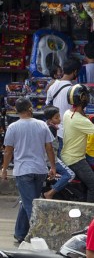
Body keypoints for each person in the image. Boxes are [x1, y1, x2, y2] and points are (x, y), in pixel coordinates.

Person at [1, 97, 55, 243]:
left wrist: (4, 169)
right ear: (30, 108)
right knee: (28, 202)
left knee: (29, 204)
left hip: (23, 170)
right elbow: (49, 148)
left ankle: (37, 235)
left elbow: (8, 151)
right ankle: (20, 233)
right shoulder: (42, 125)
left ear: (17, 111)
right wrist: (53, 167)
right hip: (40, 169)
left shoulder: (13, 127)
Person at [45, 57, 81, 152]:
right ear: (75, 72)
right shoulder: (74, 90)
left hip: (56, 130)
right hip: (70, 131)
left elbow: (47, 105)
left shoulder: (52, 86)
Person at [42, 106, 75, 200]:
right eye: (56, 117)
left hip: (49, 157)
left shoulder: (48, 127)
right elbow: (50, 148)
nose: (59, 119)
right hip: (51, 159)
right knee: (70, 175)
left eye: (59, 117)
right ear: (49, 120)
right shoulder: (51, 129)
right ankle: (50, 193)